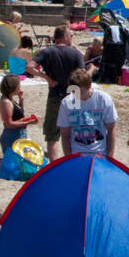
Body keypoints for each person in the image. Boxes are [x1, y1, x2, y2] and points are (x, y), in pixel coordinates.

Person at [28, 25, 85, 162]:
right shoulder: (76, 53)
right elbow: (83, 77)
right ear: (65, 37)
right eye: (71, 36)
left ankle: (54, 164)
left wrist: (47, 78)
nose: (71, 38)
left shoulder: (48, 51)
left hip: (55, 94)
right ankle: (72, 161)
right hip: (73, 95)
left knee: (52, 135)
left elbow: (29, 67)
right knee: (72, 133)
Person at [58, 69, 118, 157]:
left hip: (100, 154)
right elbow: (64, 134)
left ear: (89, 86)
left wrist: (110, 157)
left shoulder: (103, 99)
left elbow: (111, 129)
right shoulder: (66, 103)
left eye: (80, 92)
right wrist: (68, 157)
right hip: (77, 154)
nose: (77, 95)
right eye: (74, 92)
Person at [0, 74, 36, 159]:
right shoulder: (6, 102)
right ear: (14, 86)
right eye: (19, 85)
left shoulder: (11, 99)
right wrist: (27, 122)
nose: (20, 87)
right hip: (11, 137)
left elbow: (19, 114)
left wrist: (21, 100)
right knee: (14, 162)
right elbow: (9, 124)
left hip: (18, 135)